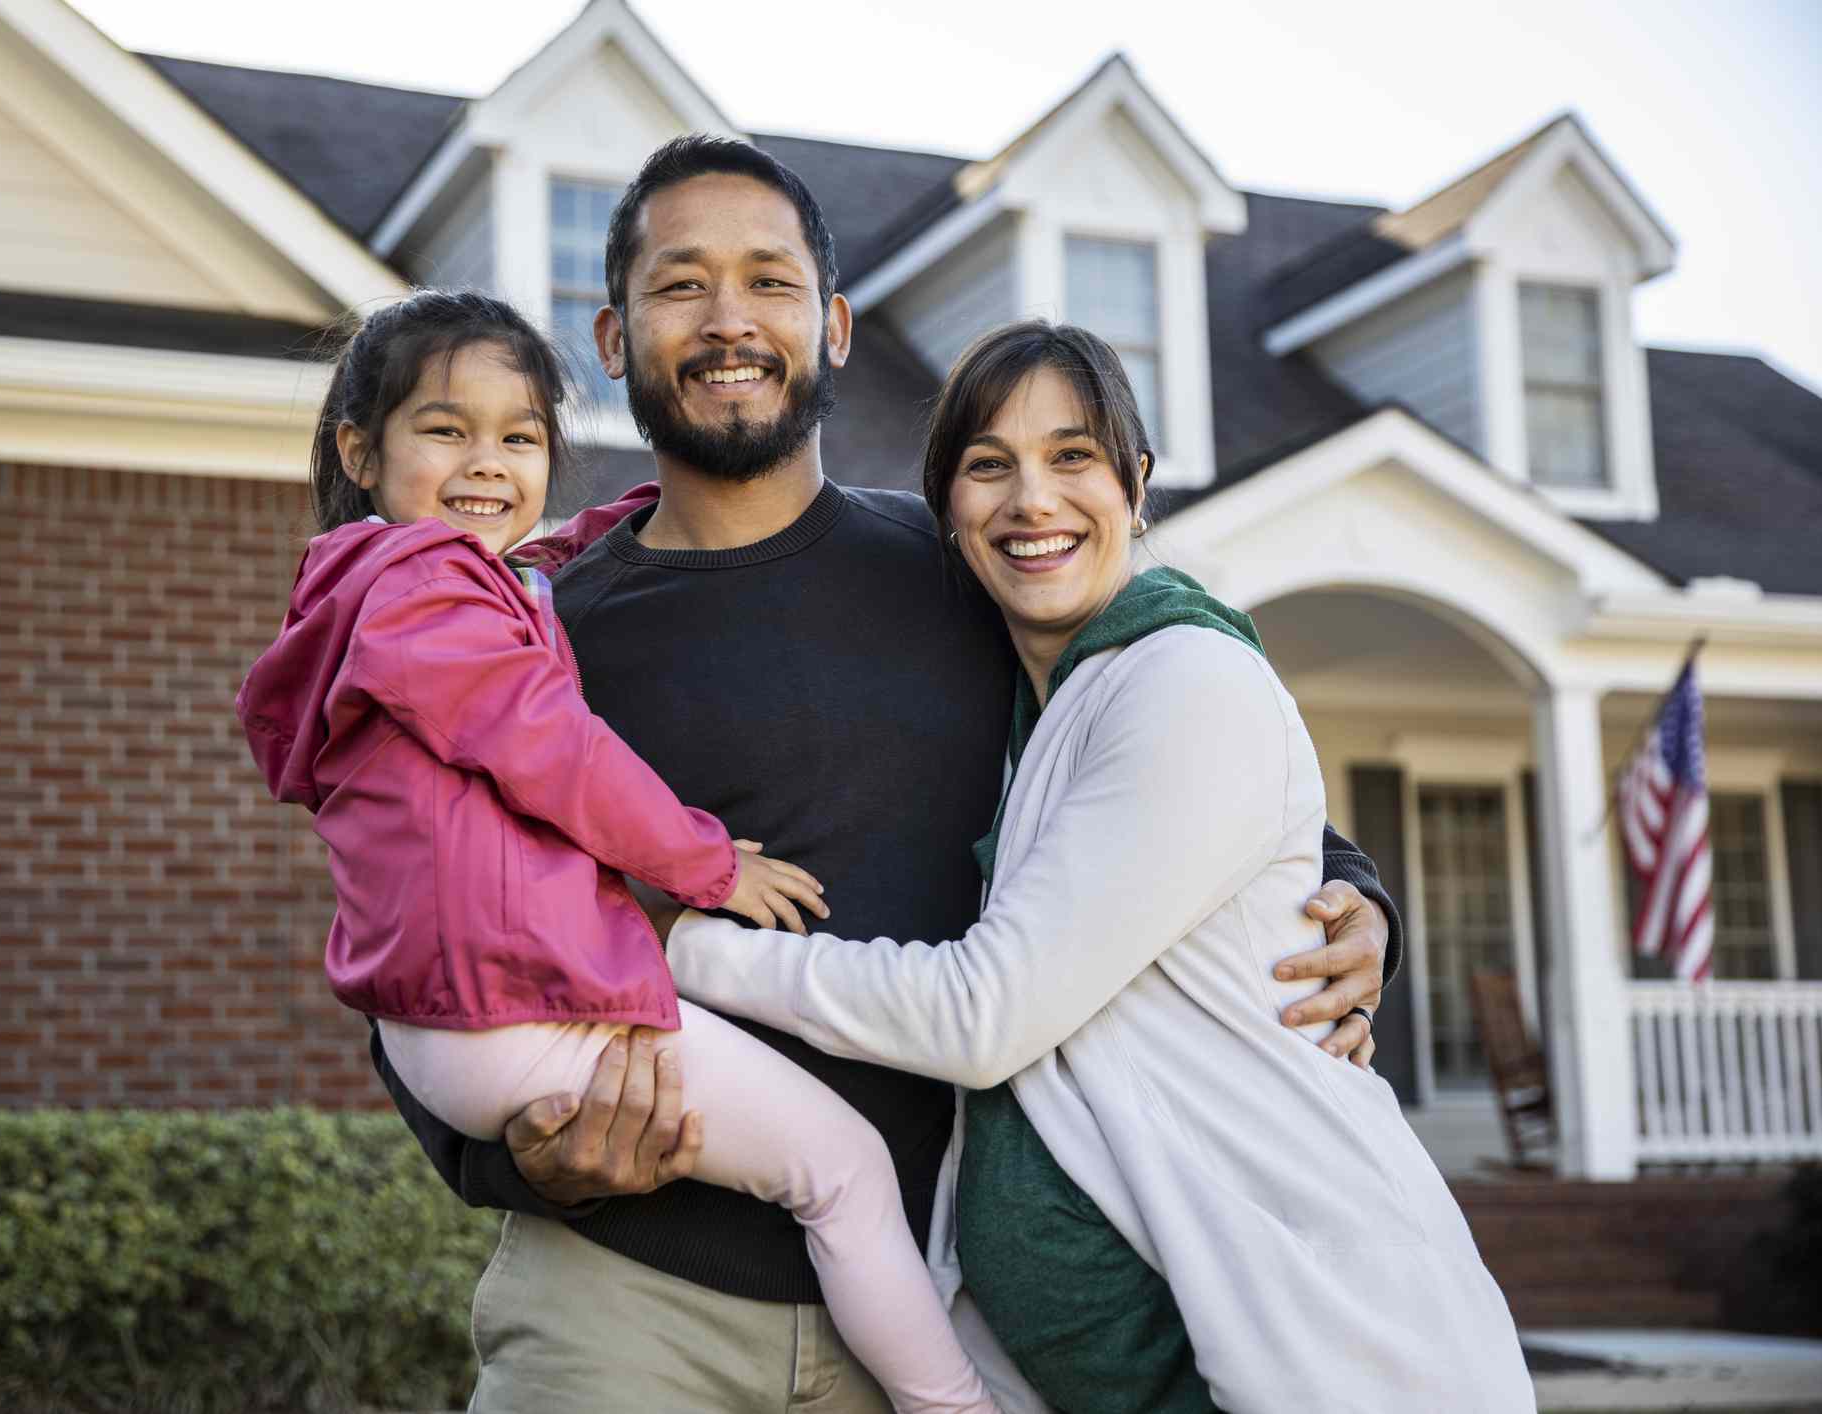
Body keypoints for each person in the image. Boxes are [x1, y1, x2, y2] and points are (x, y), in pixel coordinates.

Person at [370, 137, 1405, 1413]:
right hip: (624, 1300)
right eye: (682, 285)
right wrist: (526, 1165)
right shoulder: (535, 633)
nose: (730, 319)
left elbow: (1184, 732)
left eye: (771, 281)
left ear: (837, 324)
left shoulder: (972, 560)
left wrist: (1354, 896)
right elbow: (405, 924)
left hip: (934, 1311)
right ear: (612, 336)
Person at [650, 320, 1535, 1411]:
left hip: (1317, 1344)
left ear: (1137, 481)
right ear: (948, 510)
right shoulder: (1029, 695)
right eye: (989, 465)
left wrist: (681, 949)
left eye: (1073, 456)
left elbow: (987, 1014)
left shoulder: (1187, 678)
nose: (1033, 500)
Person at [237, 288, 996, 1413]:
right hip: (534, 1052)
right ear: (361, 448)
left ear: (833, 319)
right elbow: (554, 747)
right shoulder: (430, 599)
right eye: (446, 429)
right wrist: (709, 863)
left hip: (461, 1020)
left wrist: (1344, 881)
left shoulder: (412, 594)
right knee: (843, 1173)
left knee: (837, 1177)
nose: (485, 460)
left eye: (520, 435)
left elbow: (1122, 719)